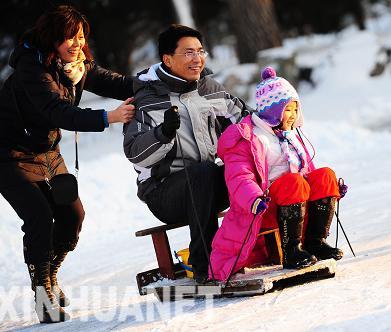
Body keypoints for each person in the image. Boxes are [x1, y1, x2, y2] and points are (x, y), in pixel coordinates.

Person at [0, 5, 135, 323]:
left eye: (80, 36)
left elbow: (113, 83)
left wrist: (153, 83)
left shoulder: (75, 66)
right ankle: (43, 294)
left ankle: (49, 274)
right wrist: (109, 117)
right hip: (4, 150)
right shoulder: (32, 68)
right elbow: (58, 111)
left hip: (44, 149)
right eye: (69, 36)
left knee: (72, 215)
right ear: (52, 39)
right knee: (39, 215)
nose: (77, 43)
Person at [123, 24, 251, 284]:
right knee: (201, 172)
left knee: (251, 165)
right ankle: (204, 264)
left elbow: (247, 123)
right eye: (189, 53)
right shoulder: (146, 101)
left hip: (208, 186)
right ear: (167, 59)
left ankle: (277, 243)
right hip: (165, 194)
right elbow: (136, 154)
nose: (198, 59)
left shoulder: (210, 89)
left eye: (201, 51)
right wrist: (162, 134)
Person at [209, 67, 347, 281]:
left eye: (295, 109)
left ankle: (315, 243)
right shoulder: (248, 137)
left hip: (296, 205)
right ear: (273, 110)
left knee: (325, 175)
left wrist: (331, 190)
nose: (293, 116)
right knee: (293, 183)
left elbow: (308, 173)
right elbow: (239, 177)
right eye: (288, 110)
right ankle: (291, 251)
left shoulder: (291, 135)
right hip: (263, 208)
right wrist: (253, 198)